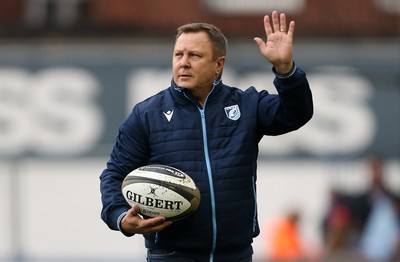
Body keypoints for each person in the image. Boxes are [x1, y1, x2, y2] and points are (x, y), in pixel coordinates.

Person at [100, 11, 313, 262]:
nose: (183, 62)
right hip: (171, 255)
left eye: (195, 55)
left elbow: (296, 114)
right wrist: (121, 217)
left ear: (218, 65)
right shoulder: (147, 114)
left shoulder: (246, 104)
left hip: (235, 254)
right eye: (178, 54)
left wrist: (285, 70)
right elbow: (115, 173)